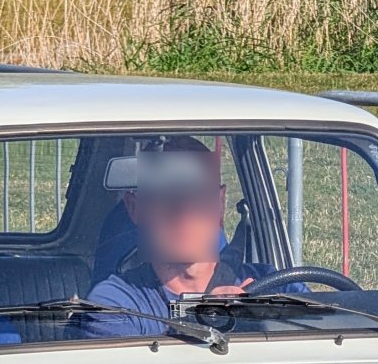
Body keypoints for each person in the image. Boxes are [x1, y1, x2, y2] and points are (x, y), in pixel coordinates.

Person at [82, 137, 268, 338]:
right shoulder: (113, 304)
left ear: (220, 203)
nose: (184, 212)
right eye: (166, 195)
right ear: (135, 207)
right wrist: (200, 320)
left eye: (198, 195)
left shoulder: (274, 286)